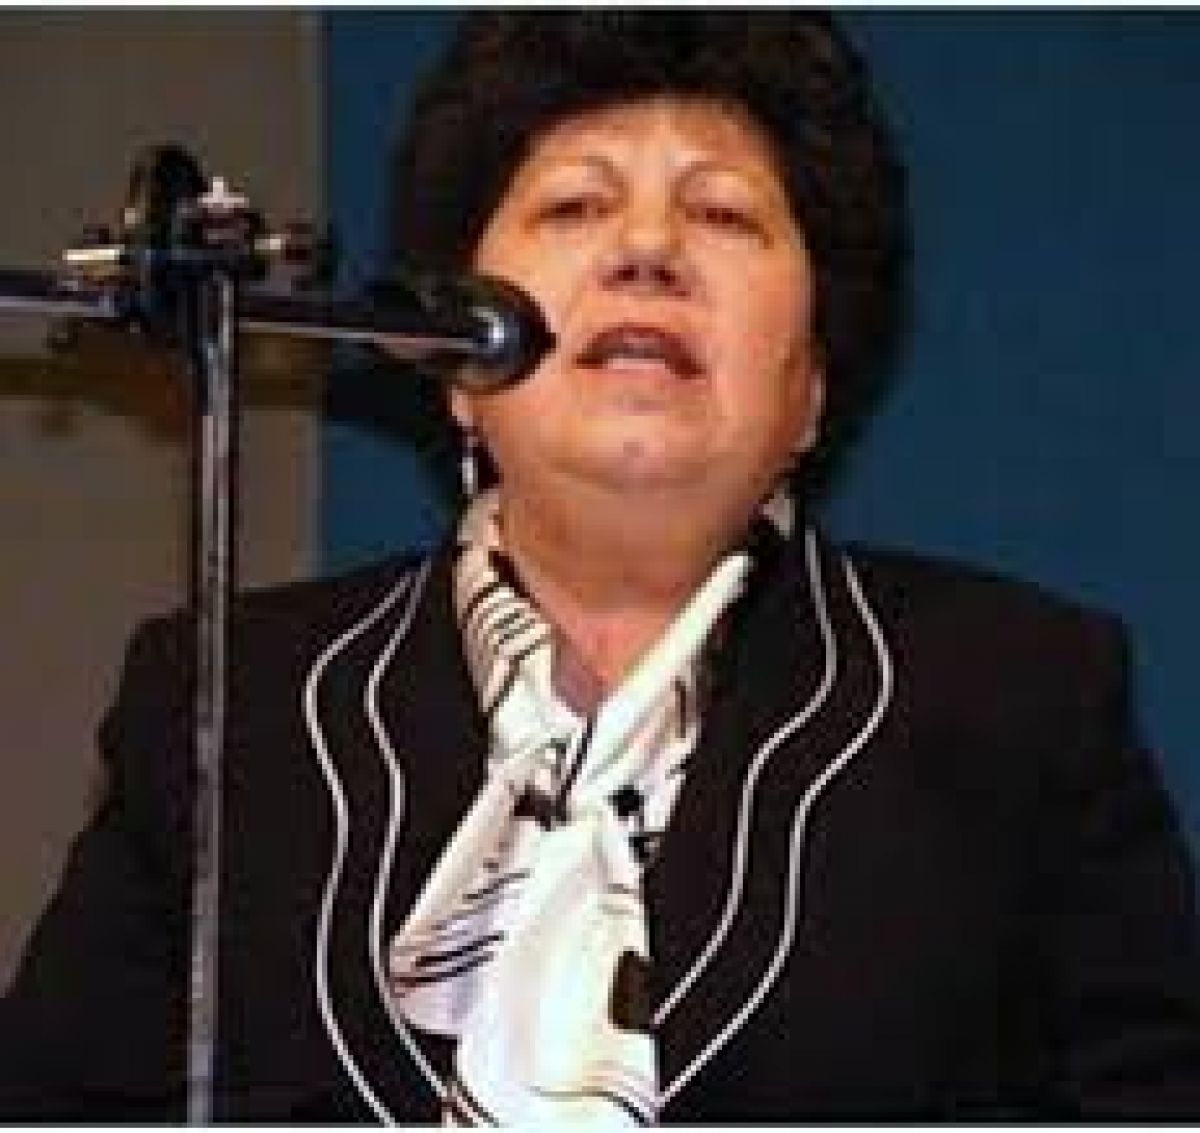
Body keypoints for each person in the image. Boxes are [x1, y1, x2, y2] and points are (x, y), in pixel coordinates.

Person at [2, 10, 1199, 1123]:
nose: (647, 248)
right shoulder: (231, 697)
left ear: (811, 390)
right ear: (452, 363)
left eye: (723, 214)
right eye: (575, 204)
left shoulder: (1014, 698)